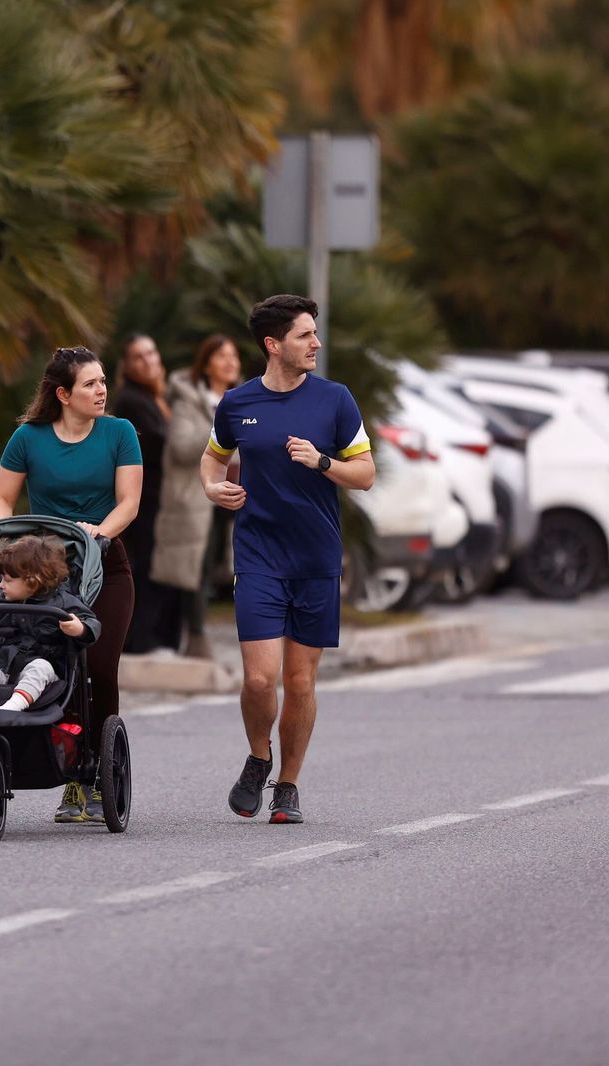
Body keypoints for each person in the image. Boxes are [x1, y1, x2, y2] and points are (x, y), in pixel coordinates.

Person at [201, 295, 375, 825]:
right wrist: (214, 489)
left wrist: (322, 462)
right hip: (258, 554)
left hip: (316, 557)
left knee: (299, 683)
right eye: (305, 335)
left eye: (315, 334)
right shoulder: (237, 403)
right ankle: (259, 755)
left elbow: (365, 473)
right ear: (273, 345)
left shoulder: (335, 400)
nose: (316, 343)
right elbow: (213, 457)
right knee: (259, 678)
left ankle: (288, 785)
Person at [0, 347, 143, 823]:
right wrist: (11, 538)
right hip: (44, 570)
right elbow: (0, 498)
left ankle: (96, 774)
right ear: (63, 394)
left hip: (104, 565)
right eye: (90, 384)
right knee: (48, 664)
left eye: (102, 382)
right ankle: (67, 776)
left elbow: (129, 502)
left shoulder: (120, 433)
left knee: (97, 663)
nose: (102, 391)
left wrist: (98, 531)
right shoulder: (28, 438)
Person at [152, 334, 243, 658]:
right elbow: (181, 448)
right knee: (196, 568)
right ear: (206, 365)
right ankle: (196, 637)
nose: (230, 362)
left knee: (222, 564)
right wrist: (222, 430)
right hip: (196, 498)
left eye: (234, 355)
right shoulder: (190, 399)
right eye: (221, 356)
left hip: (238, 493)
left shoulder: (243, 397)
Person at [0, 534, 99, 712]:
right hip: (1, 670)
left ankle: (11, 709)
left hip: (41, 673)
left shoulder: (63, 602)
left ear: (34, 580)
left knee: (41, 668)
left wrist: (80, 629)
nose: (0, 585)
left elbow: (91, 622)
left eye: (7, 580)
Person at [111, 333, 178, 654]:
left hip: (163, 501)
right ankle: (138, 640)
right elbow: (157, 444)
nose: (148, 360)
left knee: (160, 568)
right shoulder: (129, 401)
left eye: (151, 353)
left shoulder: (156, 398)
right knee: (146, 568)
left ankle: (157, 637)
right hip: (144, 498)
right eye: (139, 356)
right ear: (128, 365)